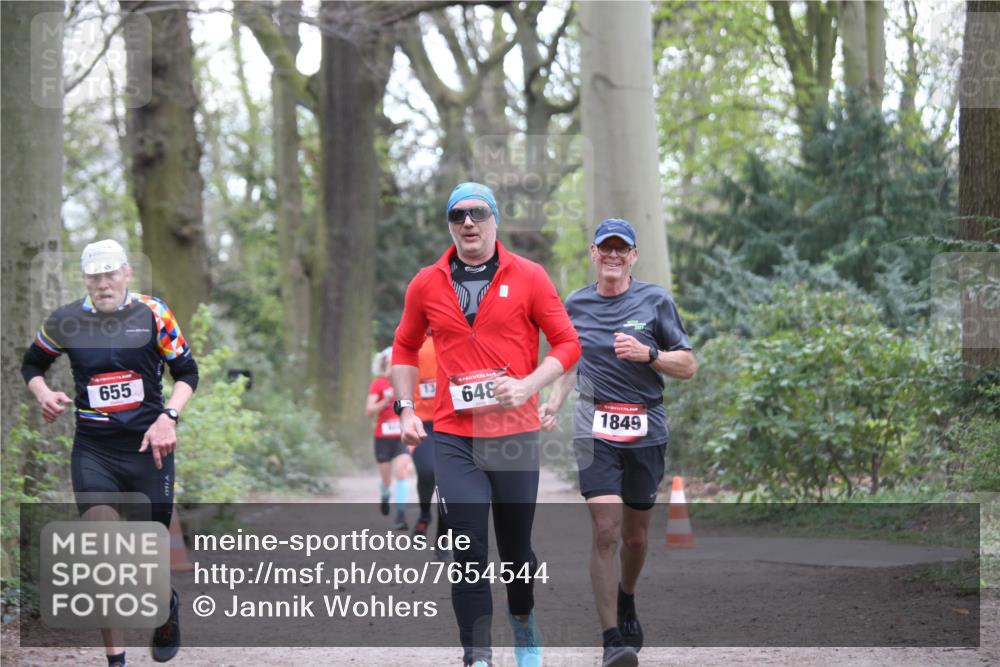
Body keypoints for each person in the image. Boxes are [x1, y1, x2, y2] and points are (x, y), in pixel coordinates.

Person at [391, 182, 581, 667]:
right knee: (468, 550)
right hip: (455, 437)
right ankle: (477, 656)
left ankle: (523, 621)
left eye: (477, 213)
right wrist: (406, 408)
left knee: (516, 553)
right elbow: (405, 347)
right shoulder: (426, 283)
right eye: (457, 216)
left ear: (495, 219)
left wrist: (529, 384)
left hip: (514, 435)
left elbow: (567, 344)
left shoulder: (530, 276)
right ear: (450, 226)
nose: (468, 223)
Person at [20, 239, 199, 667]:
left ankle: (165, 607)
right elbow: (32, 364)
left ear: (126, 274)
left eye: (110, 274)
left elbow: (187, 373)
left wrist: (169, 417)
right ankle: (115, 660)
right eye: (94, 276)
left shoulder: (154, 313)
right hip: (94, 451)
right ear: (85, 279)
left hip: (149, 449)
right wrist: (43, 393)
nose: (103, 284)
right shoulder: (66, 320)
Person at [540, 219, 696, 667]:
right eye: (605, 248)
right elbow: (568, 360)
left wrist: (650, 354)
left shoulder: (655, 300)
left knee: (636, 537)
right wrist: (554, 401)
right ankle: (612, 639)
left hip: (646, 427)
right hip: (595, 427)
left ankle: (627, 596)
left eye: (620, 249)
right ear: (593, 253)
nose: (612, 255)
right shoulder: (575, 304)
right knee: (606, 530)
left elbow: (688, 365)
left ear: (633, 256)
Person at [366, 346, 411, 530]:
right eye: (391, 361)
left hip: (401, 437)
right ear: (385, 364)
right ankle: (385, 494)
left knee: (401, 473)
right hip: (382, 438)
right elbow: (369, 411)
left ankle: (401, 515)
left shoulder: (406, 382)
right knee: (387, 480)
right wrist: (385, 400)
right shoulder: (378, 384)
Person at [409, 332, 446, 551]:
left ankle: (443, 538)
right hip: (423, 423)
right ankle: (424, 514)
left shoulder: (458, 335)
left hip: (453, 421)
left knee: (448, 482)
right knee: (426, 472)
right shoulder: (415, 338)